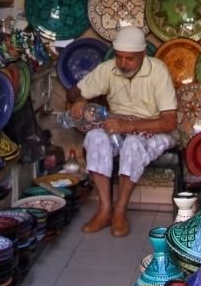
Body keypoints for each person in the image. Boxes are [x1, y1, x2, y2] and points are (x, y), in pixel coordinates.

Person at [66, 27, 177, 237]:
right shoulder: (109, 69)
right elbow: (74, 92)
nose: (123, 64)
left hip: (154, 129)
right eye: (119, 57)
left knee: (133, 144)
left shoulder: (158, 71)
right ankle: (105, 209)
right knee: (95, 137)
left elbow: (169, 122)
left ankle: (120, 211)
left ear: (143, 55)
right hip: (118, 127)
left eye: (129, 59)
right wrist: (79, 101)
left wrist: (130, 127)